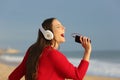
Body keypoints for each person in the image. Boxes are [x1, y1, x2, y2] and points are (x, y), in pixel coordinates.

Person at [8, 17, 92, 80]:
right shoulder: (53, 55)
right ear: (48, 33)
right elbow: (78, 75)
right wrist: (87, 51)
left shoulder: (32, 49)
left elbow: (13, 77)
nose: (64, 28)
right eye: (58, 27)